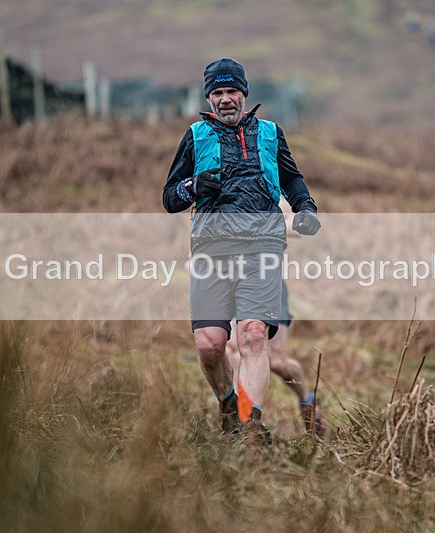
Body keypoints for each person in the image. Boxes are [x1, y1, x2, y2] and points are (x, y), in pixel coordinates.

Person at [162, 58, 320, 441]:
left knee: (252, 337)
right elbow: (170, 197)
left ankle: (250, 429)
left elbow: (292, 178)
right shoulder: (195, 136)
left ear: (244, 94)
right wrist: (193, 188)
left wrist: (306, 207)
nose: (226, 99)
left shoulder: (270, 133)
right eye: (217, 92)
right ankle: (229, 406)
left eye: (232, 91)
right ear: (209, 98)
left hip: (262, 249)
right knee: (210, 346)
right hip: (211, 251)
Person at [224, 279, 325, 437]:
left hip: (265, 281)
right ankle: (242, 422)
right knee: (232, 350)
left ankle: (308, 400)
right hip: (230, 281)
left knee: (277, 362)